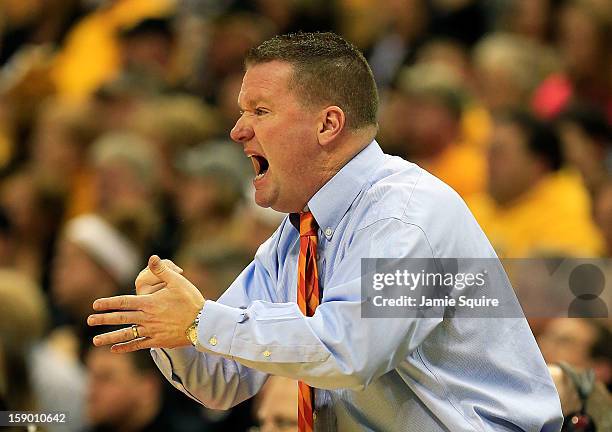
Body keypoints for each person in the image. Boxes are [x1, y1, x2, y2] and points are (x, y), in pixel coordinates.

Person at [89, 32, 563, 431]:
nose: (237, 130)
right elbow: (224, 381)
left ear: (328, 124)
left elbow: (348, 352)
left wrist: (199, 322)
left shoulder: (406, 216)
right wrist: (169, 329)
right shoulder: (296, 235)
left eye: (259, 111)